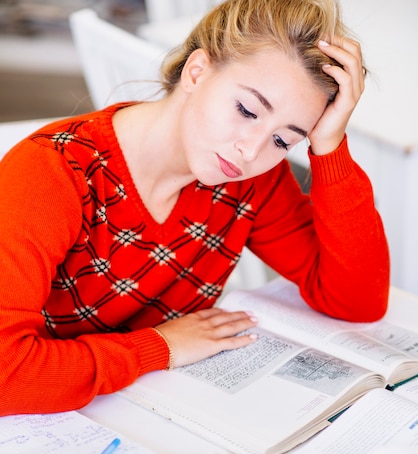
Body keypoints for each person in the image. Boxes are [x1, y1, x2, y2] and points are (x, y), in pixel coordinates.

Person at [0, 0, 390, 416]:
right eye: (247, 110)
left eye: (283, 140)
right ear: (197, 71)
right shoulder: (51, 174)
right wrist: (161, 345)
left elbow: (357, 301)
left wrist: (329, 146)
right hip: (47, 425)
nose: (251, 149)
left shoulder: (249, 179)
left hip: (154, 411)